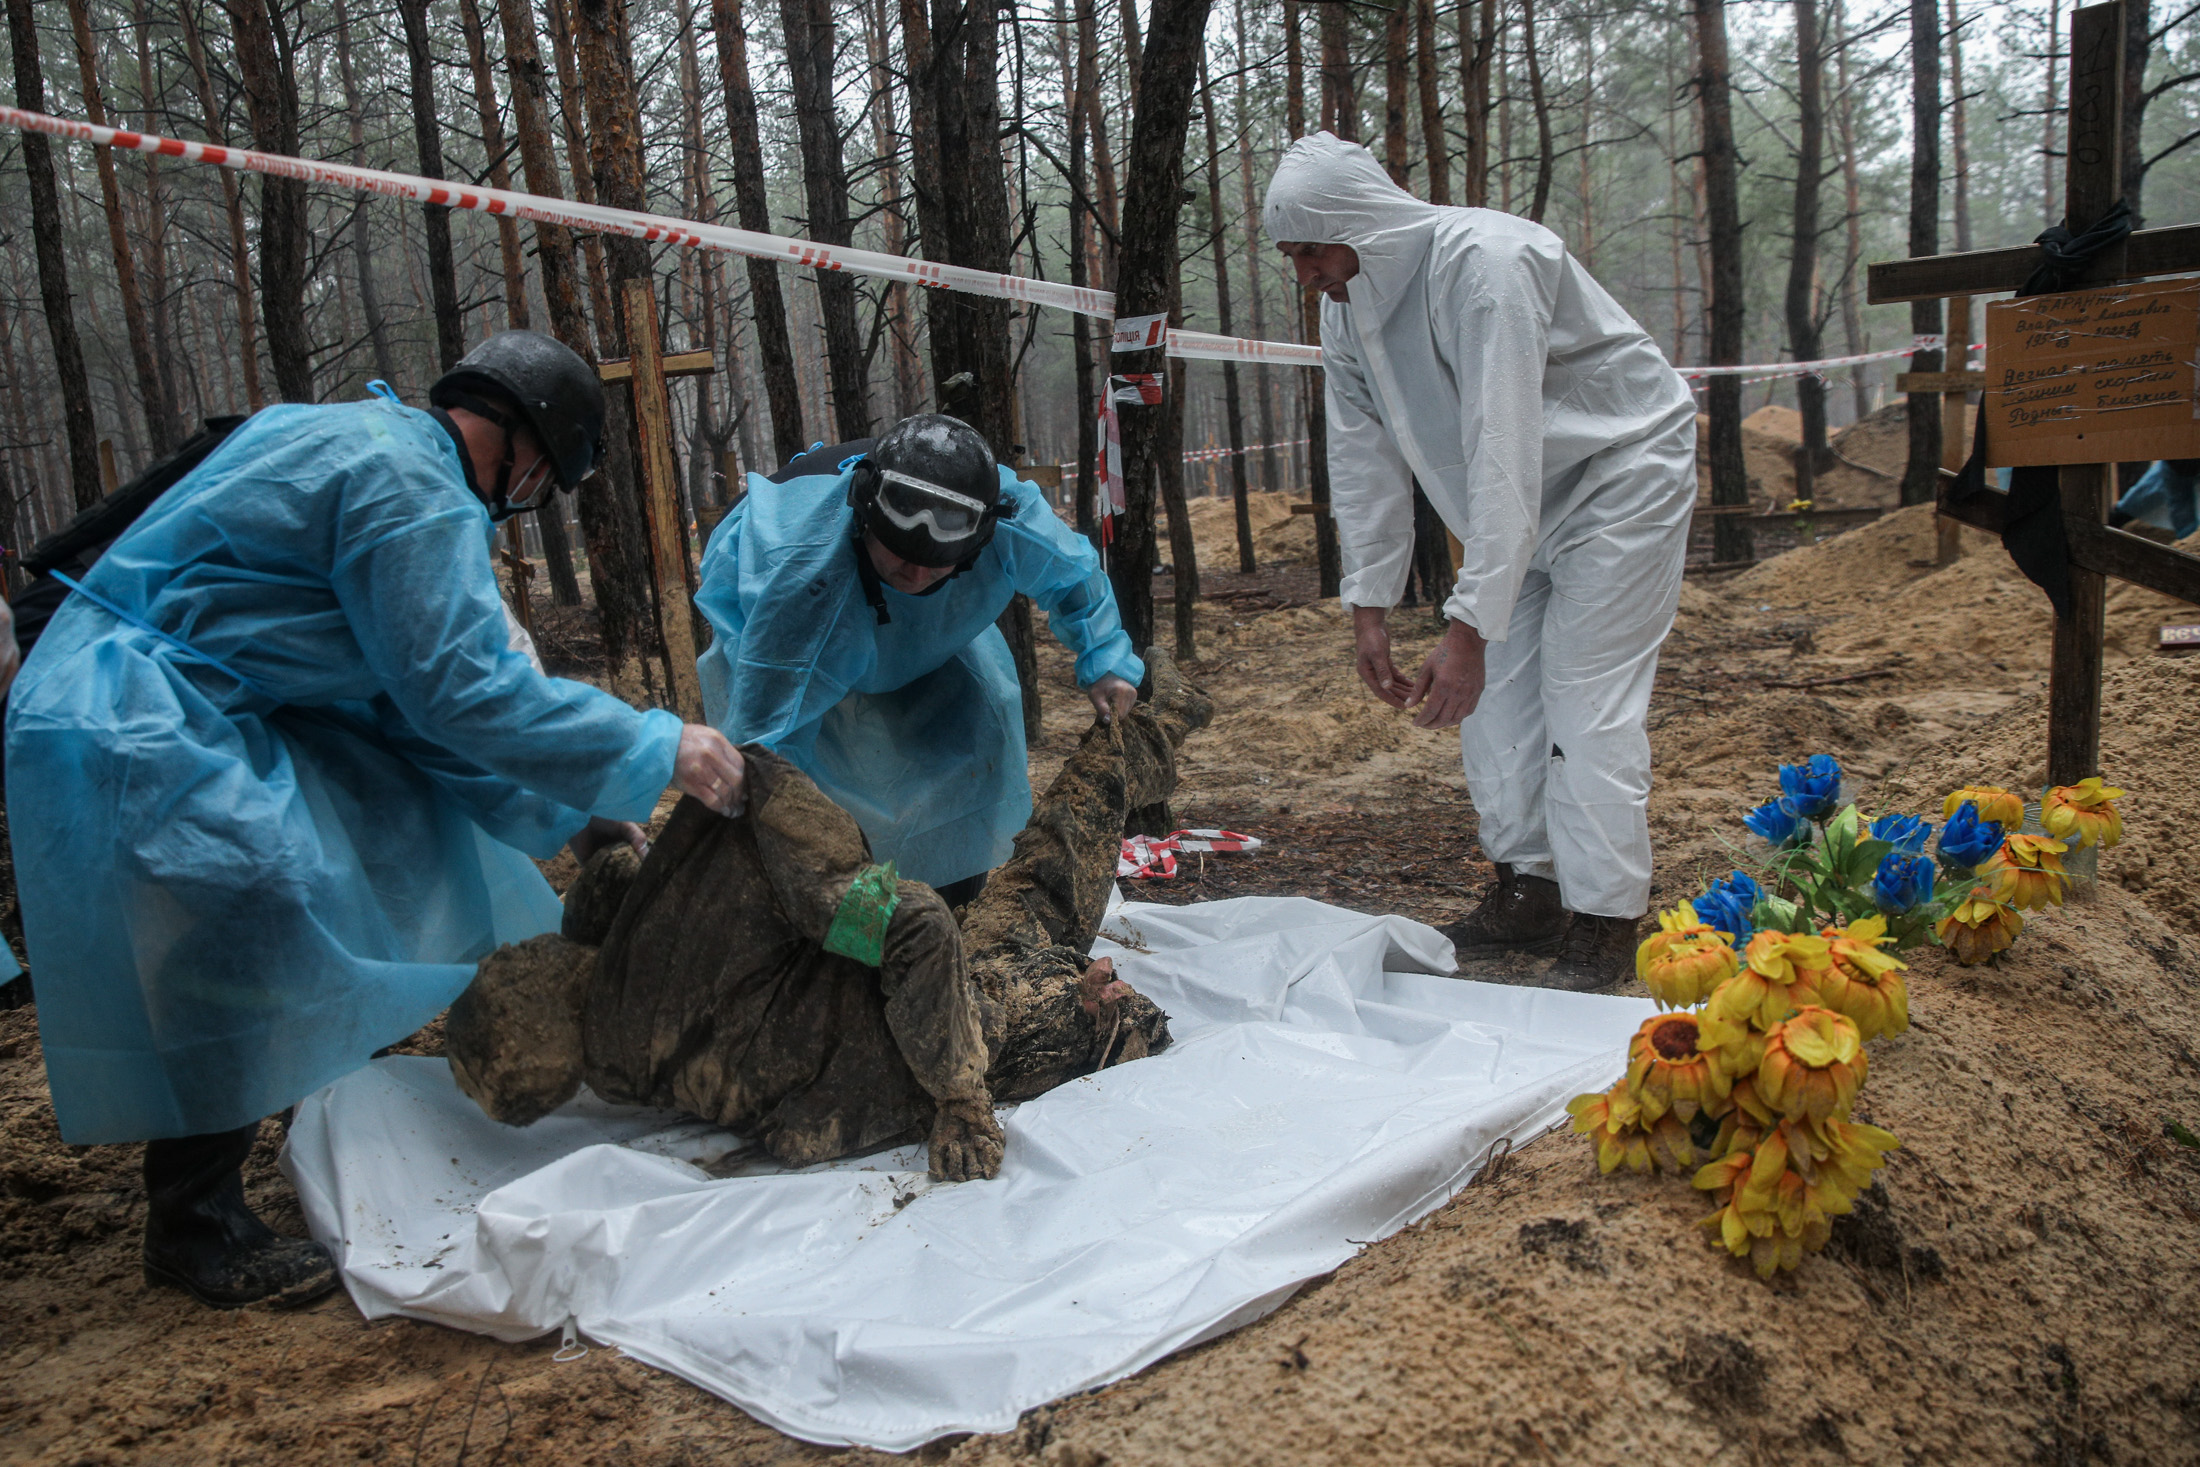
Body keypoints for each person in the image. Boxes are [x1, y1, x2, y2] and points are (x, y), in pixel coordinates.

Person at [5, 330, 747, 1309]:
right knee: (252, 912)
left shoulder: (374, 443)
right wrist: (657, 749)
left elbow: (407, 711)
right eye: (541, 482)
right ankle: (196, 1223)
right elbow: (463, 691)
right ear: (527, 448)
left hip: (176, 702)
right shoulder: (414, 490)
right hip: (139, 714)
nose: (524, 501)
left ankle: (239, 1130)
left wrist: (581, 816)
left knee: (385, 823)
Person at [447, 652, 1214, 1179]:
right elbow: (907, 925)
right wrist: (959, 1093)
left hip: (939, 988)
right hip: (969, 1016)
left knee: (1057, 846)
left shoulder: (628, 1022)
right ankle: (1160, 722)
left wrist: (957, 1097)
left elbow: (911, 928)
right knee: (1113, 978)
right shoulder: (659, 989)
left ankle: (1163, 715)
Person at [1263, 133, 1697, 990]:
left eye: (1311, 249)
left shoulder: (1487, 263)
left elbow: (1503, 441)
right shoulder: (1347, 302)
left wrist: (1468, 625)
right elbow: (1362, 453)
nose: (1303, 273)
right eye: (1290, 256)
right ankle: (1529, 891)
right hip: (1513, 508)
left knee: (1583, 699)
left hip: (1617, 475)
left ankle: (1608, 919)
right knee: (1493, 708)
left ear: (1362, 224)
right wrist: (1370, 603)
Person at [695, 414, 1145, 909]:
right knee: (833, 792)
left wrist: (1107, 659)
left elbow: (1074, 577)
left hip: (932, 623)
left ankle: (949, 905)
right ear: (867, 518)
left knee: (976, 726)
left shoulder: (1009, 518)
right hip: (805, 618)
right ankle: (857, 937)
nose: (915, 570)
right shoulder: (802, 586)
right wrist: (805, 852)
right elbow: (769, 746)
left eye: (936, 560)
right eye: (899, 553)